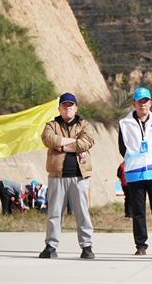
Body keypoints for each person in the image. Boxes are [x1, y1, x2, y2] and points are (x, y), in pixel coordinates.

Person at [38, 92, 95, 259]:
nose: (67, 108)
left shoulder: (84, 125)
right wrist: (74, 142)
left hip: (79, 176)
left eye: (70, 105)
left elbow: (87, 141)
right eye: (64, 105)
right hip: (57, 176)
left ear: (76, 108)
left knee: (82, 212)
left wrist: (62, 145)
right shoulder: (51, 125)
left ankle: (87, 246)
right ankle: (51, 246)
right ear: (59, 108)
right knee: (54, 213)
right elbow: (48, 139)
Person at [118, 87, 152, 256]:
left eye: (145, 101)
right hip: (135, 172)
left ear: (150, 103)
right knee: (138, 212)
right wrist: (134, 159)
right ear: (134, 104)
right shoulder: (124, 123)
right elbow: (122, 148)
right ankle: (141, 246)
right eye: (139, 101)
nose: (142, 104)